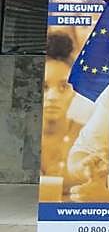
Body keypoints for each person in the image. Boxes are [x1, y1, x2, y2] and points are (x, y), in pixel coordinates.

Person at [41, 31, 83, 182]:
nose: (52, 97)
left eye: (63, 87)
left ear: (74, 91)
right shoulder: (16, 135)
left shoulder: (88, 137)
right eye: (43, 87)